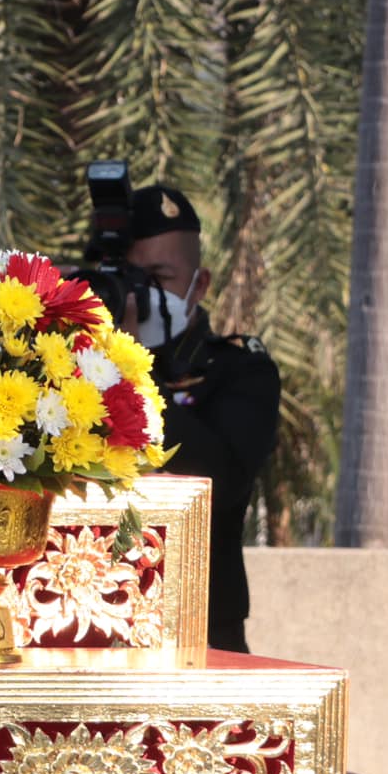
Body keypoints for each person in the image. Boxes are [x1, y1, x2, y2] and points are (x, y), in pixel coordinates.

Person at [118, 184, 282, 655]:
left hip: (202, 625)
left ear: (201, 284)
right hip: (88, 618)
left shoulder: (239, 370)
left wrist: (127, 370)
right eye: (131, 278)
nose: (142, 295)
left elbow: (221, 481)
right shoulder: (77, 368)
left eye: (159, 277)